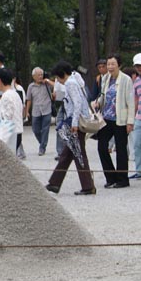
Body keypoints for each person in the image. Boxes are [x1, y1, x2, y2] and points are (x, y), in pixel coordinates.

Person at [45, 62, 96, 195]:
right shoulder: (75, 79)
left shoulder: (70, 83)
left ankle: (87, 186)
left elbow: (77, 103)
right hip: (76, 121)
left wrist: (74, 124)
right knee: (67, 154)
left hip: (75, 122)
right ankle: (54, 183)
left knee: (78, 154)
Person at [93, 54, 135, 188]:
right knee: (102, 147)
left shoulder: (126, 79)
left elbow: (130, 101)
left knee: (121, 149)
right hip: (106, 118)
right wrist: (97, 103)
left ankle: (122, 179)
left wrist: (130, 121)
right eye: (108, 64)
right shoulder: (105, 78)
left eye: (113, 64)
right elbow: (103, 96)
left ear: (119, 65)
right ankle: (110, 176)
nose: (110, 67)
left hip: (120, 119)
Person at [0, 68, 24, 153]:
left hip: (10, 134)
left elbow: (6, 117)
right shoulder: (15, 94)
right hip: (16, 132)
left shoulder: (7, 96)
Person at [25, 67, 53, 156]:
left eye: (41, 74)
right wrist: (27, 111)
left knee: (45, 129)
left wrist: (47, 81)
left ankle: (42, 148)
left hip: (47, 109)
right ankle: (42, 142)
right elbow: (28, 99)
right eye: (38, 75)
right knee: (35, 129)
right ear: (34, 76)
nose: (40, 76)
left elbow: (57, 85)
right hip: (36, 111)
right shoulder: (31, 86)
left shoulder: (47, 84)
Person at [12, 73, 27, 159]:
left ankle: (19, 151)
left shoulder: (19, 89)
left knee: (18, 135)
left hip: (17, 115)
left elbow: (23, 102)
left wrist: (24, 114)